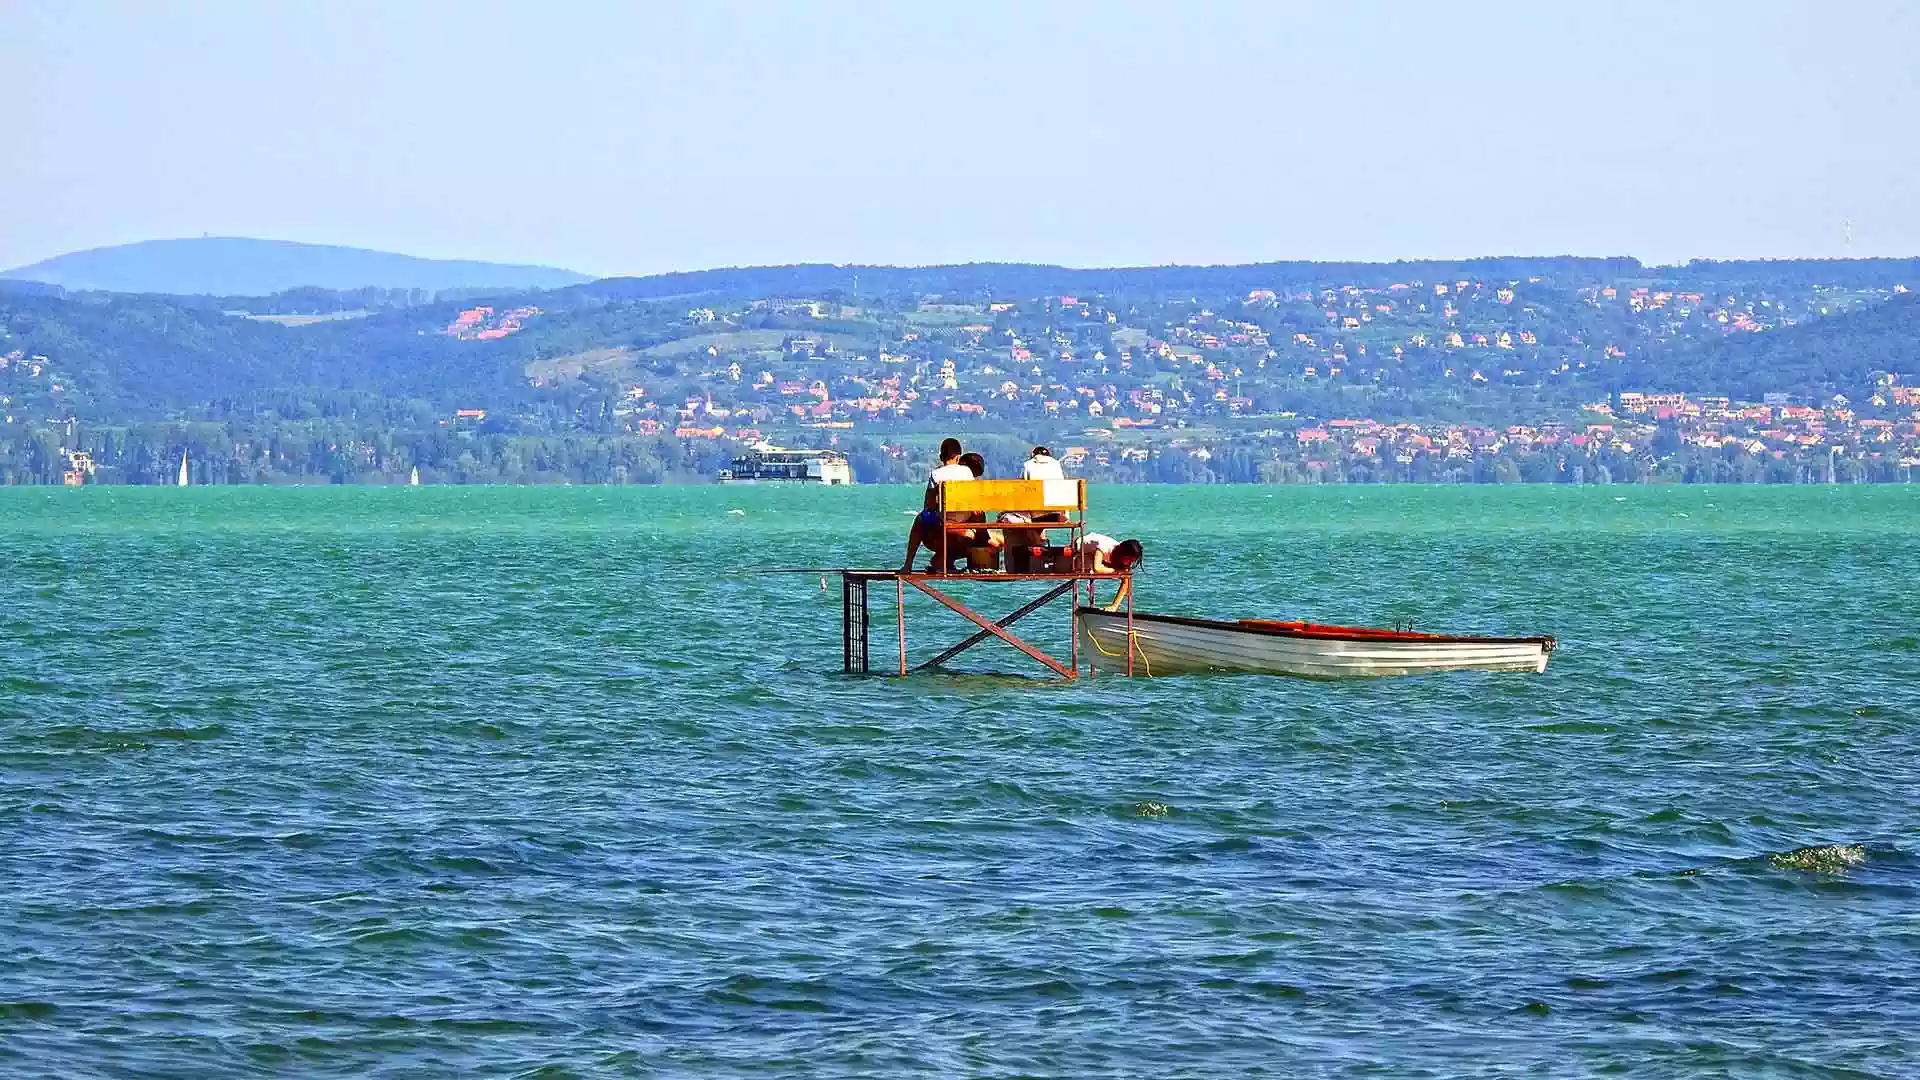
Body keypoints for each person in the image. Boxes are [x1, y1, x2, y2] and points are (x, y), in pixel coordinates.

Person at [901, 439, 972, 571]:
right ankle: (945, 561)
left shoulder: (936, 474)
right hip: (965, 526)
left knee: (920, 519)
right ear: (958, 457)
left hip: (942, 528)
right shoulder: (967, 472)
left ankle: (908, 564)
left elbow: (928, 505)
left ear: (941, 457)